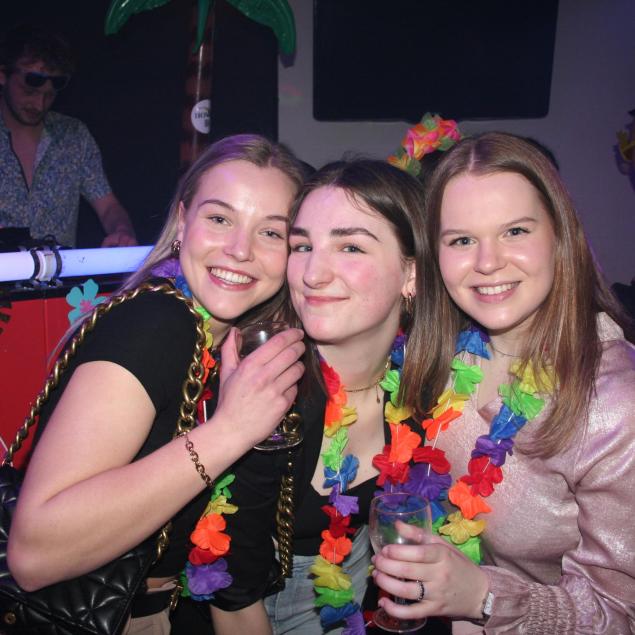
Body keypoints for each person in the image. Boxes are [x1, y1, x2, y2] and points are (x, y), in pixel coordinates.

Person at [7, 133, 307, 634]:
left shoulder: (228, 345)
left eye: (271, 232)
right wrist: (231, 431)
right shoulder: (158, 324)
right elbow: (34, 553)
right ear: (183, 221)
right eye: (220, 219)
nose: (240, 250)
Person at [372, 132, 635, 633]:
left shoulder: (616, 403)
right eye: (462, 240)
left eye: (514, 231)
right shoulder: (448, 356)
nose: (488, 262)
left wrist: (484, 596)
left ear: (560, 235)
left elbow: (621, 616)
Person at [207, 159, 434, 634]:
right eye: (303, 246)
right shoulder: (272, 389)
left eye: (350, 246)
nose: (312, 273)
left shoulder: (428, 382)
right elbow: (232, 592)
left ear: (411, 274)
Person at [0, 24, 137, 247]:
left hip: (60, 270)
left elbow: (108, 207)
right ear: (3, 75)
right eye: (29, 91)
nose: (39, 104)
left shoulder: (73, 136)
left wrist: (122, 231)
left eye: (49, 95)